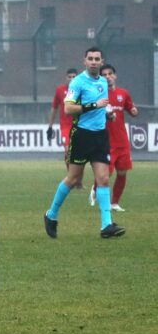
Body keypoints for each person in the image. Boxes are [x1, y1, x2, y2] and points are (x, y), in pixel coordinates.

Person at [44, 47, 125, 239]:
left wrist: (107, 113)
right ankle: (51, 214)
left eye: (97, 59)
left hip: (100, 136)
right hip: (81, 136)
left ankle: (107, 225)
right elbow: (68, 108)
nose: (94, 62)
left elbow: (100, 107)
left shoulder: (103, 82)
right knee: (73, 179)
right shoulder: (78, 82)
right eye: (91, 59)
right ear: (85, 61)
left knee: (103, 179)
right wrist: (94, 106)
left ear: (102, 61)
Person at [89, 64, 139, 212]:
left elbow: (131, 109)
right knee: (107, 173)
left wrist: (134, 111)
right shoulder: (99, 95)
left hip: (122, 141)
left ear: (115, 76)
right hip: (107, 141)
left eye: (110, 74)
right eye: (104, 74)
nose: (108, 77)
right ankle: (95, 187)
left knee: (122, 172)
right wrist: (107, 115)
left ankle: (114, 203)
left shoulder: (123, 93)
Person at [47, 68, 81, 187]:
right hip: (66, 127)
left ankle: (78, 179)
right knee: (68, 151)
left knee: (79, 154)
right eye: (69, 77)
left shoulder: (82, 90)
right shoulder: (60, 90)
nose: (71, 79)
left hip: (80, 126)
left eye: (74, 77)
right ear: (65, 78)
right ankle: (72, 177)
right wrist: (50, 127)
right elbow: (54, 108)